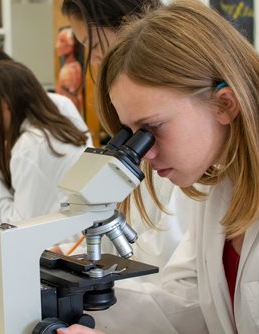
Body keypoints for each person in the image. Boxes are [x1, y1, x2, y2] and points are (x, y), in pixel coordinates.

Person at [59, 1, 259, 333]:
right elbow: (187, 307)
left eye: (151, 130)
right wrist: (70, 302)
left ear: (224, 104)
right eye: (132, 134)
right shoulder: (223, 179)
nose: (143, 155)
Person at [61, 0, 186, 280]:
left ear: (129, 27)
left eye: (93, 46)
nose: (93, 60)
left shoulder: (184, 147)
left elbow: (164, 259)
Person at [0, 60, 89, 225]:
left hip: (60, 243)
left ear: (4, 104)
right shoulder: (60, 128)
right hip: (77, 239)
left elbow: (18, 226)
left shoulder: (30, 145)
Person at [55, 27, 83, 111]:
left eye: (62, 41)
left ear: (71, 44)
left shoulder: (73, 69)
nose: (57, 45)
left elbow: (72, 99)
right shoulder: (67, 66)